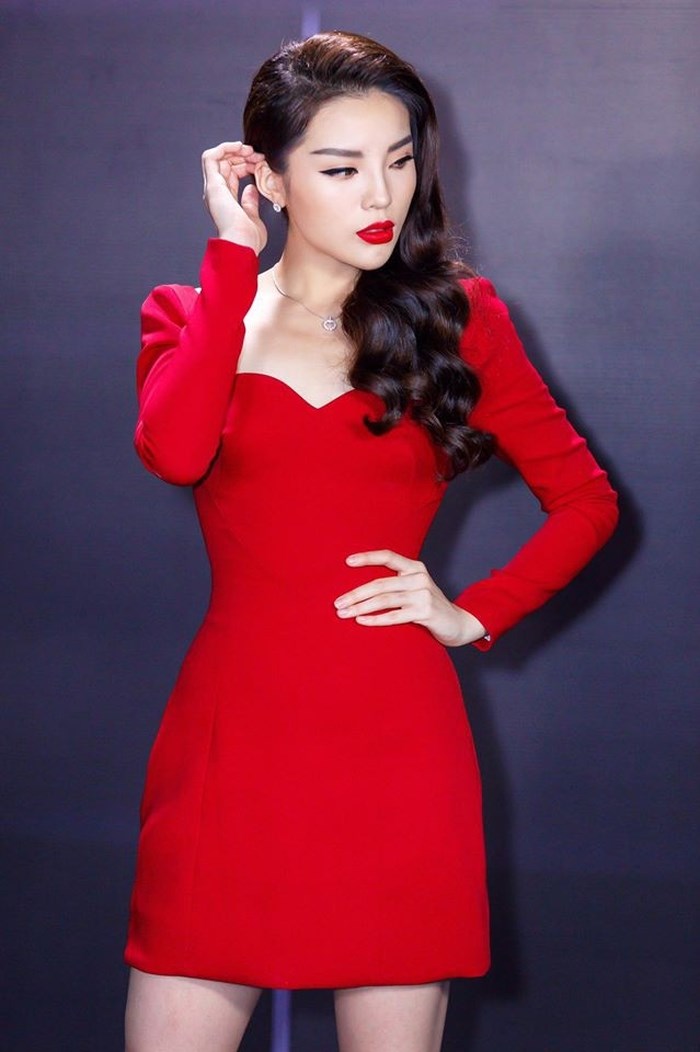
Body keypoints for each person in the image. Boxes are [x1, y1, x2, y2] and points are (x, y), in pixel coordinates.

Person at [123, 29, 619, 1052]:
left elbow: (585, 500)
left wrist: (471, 611)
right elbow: (175, 453)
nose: (380, 195)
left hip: (395, 750)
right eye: (341, 168)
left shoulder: (460, 319)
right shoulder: (191, 315)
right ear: (268, 177)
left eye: (398, 160)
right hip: (230, 747)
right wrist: (232, 258)